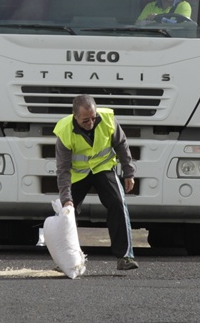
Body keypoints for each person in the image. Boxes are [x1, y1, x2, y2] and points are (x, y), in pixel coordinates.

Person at [54, 94, 139, 271]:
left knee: (118, 203)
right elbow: (62, 169)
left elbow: (122, 144)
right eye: (85, 120)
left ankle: (124, 256)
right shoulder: (64, 131)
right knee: (66, 213)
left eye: (94, 118)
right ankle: (67, 261)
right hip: (78, 174)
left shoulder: (107, 119)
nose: (91, 123)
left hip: (103, 168)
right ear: (74, 116)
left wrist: (129, 172)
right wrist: (66, 198)